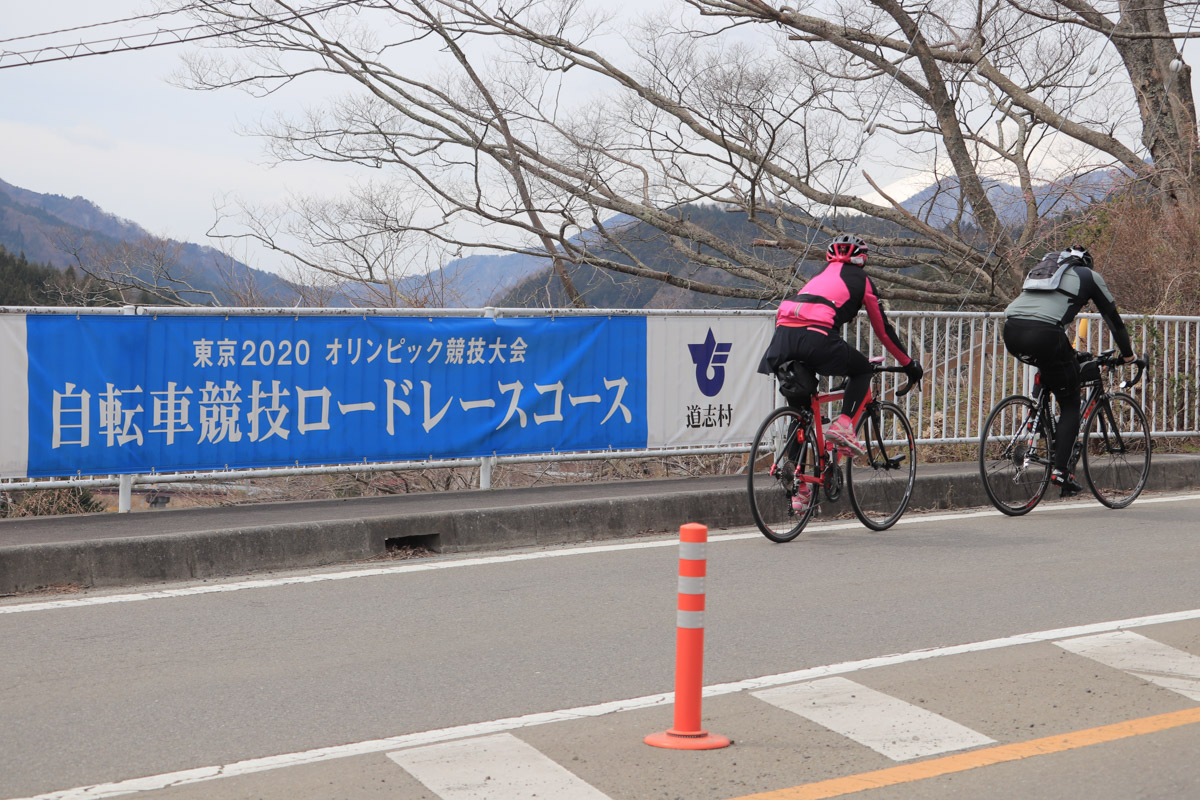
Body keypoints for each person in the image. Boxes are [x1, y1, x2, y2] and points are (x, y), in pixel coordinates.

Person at [757, 234, 924, 510]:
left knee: (801, 414)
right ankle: (844, 425)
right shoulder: (862, 281)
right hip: (817, 338)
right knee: (862, 370)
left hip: (783, 339)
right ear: (861, 258)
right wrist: (908, 364)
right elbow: (882, 329)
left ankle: (799, 491)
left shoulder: (818, 277)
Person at [1003, 245, 1136, 496]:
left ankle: (1039, 420)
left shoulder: (1042, 272)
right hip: (1046, 334)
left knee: (1055, 363)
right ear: (1085, 263)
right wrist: (1128, 355)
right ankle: (1060, 470)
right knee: (1071, 403)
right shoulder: (1088, 276)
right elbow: (1114, 321)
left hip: (1011, 330)